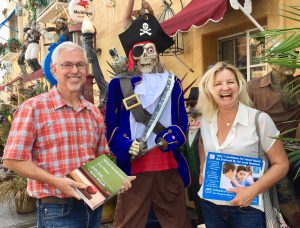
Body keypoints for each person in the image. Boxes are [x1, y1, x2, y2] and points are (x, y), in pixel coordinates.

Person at [3, 41, 135, 228]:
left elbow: (100, 158)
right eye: (67, 65)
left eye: (80, 64)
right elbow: (12, 160)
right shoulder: (34, 108)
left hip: (93, 205)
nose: (75, 70)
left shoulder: (93, 112)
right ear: (54, 69)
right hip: (57, 210)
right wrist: (57, 182)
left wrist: (115, 180)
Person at [105, 5, 191, 228]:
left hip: (168, 167)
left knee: (177, 223)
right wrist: (125, 145)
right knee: (128, 223)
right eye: (139, 51)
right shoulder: (118, 86)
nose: (145, 56)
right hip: (133, 171)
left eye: (150, 50)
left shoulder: (174, 83)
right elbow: (110, 127)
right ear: (132, 55)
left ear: (157, 53)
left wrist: (172, 138)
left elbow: (182, 123)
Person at [197, 61, 289, 228]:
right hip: (210, 204)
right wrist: (203, 166)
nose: (225, 88)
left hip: (247, 208)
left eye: (230, 82)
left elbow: (281, 164)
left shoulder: (259, 120)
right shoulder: (206, 120)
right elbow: (203, 142)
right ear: (209, 90)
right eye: (217, 84)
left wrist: (251, 190)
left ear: (239, 86)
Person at [248, 62, 300, 227]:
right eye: (282, 54)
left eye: (294, 54)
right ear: (271, 60)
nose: (290, 60)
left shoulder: (298, 85)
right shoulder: (254, 87)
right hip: (268, 154)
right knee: (284, 204)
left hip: (295, 154)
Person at [182, 87, 204, 225]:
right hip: (193, 181)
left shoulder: (210, 126)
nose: (190, 107)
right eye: (188, 104)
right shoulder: (187, 128)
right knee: (200, 212)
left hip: (207, 180)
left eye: (194, 104)